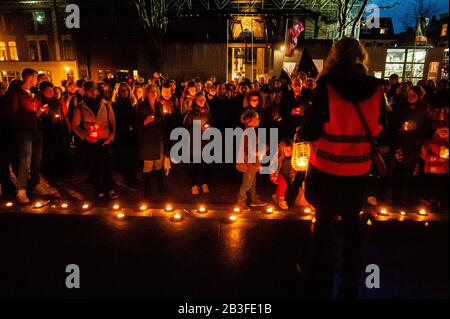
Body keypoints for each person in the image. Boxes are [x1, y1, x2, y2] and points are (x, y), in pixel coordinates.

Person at [302, 37, 387, 298]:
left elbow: (310, 131)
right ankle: (350, 274)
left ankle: (318, 270)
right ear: (361, 57)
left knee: (323, 222)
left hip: (326, 168)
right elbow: (383, 127)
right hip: (358, 171)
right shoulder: (376, 88)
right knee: (352, 223)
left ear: (334, 57)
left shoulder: (326, 86)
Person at [386, 85, 433, 204]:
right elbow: (393, 123)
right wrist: (398, 129)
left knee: (408, 171)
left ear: (419, 96)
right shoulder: (401, 106)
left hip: (412, 145)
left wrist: (419, 140)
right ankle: (389, 194)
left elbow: (426, 128)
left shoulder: (424, 110)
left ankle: (405, 196)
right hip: (399, 142)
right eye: (409, 94)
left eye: (413, 95)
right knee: (393, 168)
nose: (410, 97)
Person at [72, 81, 117, 200]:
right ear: (85, 91)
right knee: (94, 166)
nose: (93, 92)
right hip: (91, 141)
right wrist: (85, 136)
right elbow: (75, 125)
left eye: (95, 89)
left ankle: (110, 188)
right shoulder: (81, 107)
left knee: (107, 165)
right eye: (90, 90)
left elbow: (112, 120)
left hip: (105, 139)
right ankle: (98, 189)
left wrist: (111, 135)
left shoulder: (105, 103)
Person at [11, 68, 50, 204]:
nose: (37, 80)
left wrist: (43, 111)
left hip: (37, 130)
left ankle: (34, 185)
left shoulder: (36, 93)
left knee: (36, 161)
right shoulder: (17, 94)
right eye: (35, 77)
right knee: (25, 161)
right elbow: (13, 114)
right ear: (29, 78)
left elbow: (39, 108)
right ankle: (21, 190)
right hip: (24, 132)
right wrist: (34, 114)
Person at [136, 84, 167, 198]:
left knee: (159, 164)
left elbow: (163, 122)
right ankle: (147, 191)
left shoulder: (159, 105)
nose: (154, 93)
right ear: (147, 93)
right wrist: (145, 122)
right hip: (148, 141)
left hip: (159, 139)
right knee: (148, 166)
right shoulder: (141, 106)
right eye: (152, 91)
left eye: (156, 91)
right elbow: (137, 126)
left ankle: (160, 186)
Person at [39, 81, 71, 183]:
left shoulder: (55, 101)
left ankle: (63, 172)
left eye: (52, 90)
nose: (51, 92)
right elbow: (39, 119)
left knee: (61, 152)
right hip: (49, 134)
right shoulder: (41, 103)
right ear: (43, 92)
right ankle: (53, 176)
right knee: (51, 155)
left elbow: (61, 114)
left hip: (59, 130)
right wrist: (47, 118)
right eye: (49, 90)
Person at [235, 109, 267, 211]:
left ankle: (253, 200)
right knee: (246, 185)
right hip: (248, 165)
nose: (259, 120)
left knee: (252, 183)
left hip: (252, 164)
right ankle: (240, 202)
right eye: (256, 118)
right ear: (249, 121)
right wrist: (263, 149)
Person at [183, 92, 211, 195]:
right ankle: (194, 185)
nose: (201, 102)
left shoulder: (207, 113)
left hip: (205, 142)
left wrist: (208, 128)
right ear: (195, 101)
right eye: (199, 100)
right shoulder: (190, 113)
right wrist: (196, 128)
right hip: (193, 142)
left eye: (203, 100)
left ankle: (204, 183)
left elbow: (211, 123)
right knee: (194, 164)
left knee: (204, 164)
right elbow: (185, 127)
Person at [111, 82, 138, 187]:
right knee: (124, 158)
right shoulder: (115, 104)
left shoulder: (132, 102)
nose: (125, 92)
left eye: (126, 90)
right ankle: (128, 179)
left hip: (132, 134)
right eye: (122, 90)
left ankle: (132, 177)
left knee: (132, 157)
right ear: (118, 92)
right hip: (121, 134)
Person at [270, 139, 303, 209]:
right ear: (282, 149)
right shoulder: (278, 157)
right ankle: (281, 201)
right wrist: (273, 175)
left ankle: (276, 196)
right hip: (277, 174)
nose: (289, 152)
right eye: (287, 150)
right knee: (283, 184)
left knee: (284, 185)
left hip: (288, 175)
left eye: (291, 150)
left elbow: (296, 167)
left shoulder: (294, 158)